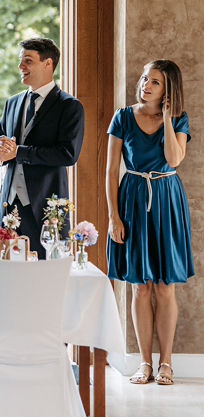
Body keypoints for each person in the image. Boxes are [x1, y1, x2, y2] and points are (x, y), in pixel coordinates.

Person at [106, 60, 192, 386]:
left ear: (167, 89)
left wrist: (168, 119)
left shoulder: (179, 119)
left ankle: (166, 363)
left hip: (167, 199)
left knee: (164, 285)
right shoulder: (123, 117)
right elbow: (110, 171)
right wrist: (114, 216)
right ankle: (144, 363)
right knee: (139, 286)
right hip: (131, 199)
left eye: (154, 82)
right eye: (145, 78)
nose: (145, 84)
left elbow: (173, 159)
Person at [0, 38, 84, 259]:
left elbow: (68, 154)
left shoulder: (69, 106)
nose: (20, 66)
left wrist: (19, 152)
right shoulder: (12, 103)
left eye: (28, 60)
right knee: (5, 272)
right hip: (9, 205)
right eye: (20, 60)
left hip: (46, 206)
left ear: (48, 63)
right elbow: (0, 143)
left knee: (45, 276)